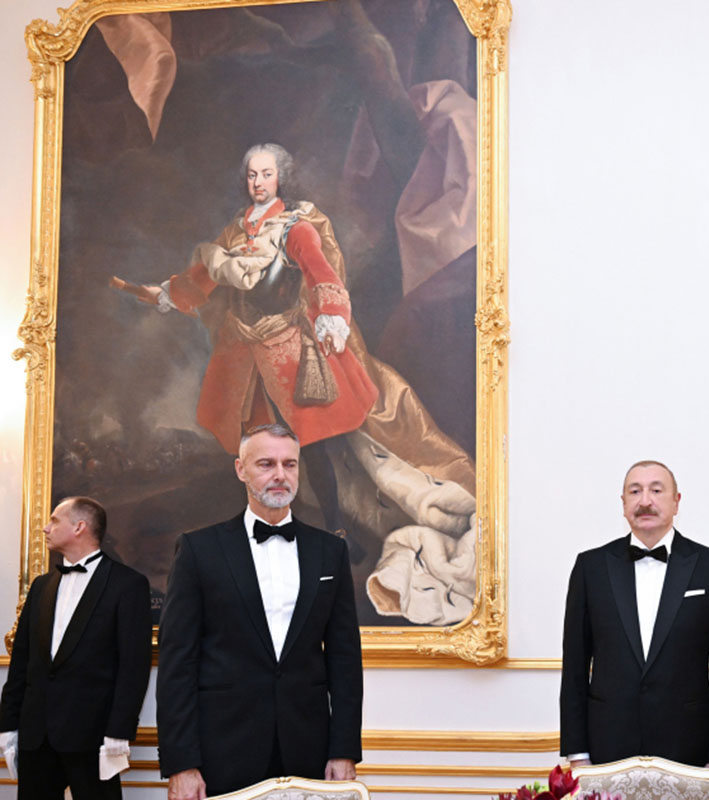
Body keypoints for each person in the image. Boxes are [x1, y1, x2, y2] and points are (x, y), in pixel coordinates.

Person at [142, 142, 475, 532]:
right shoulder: (237, 229)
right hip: (246, 352)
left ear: (280, 178)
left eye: (266, 174)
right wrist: (169, 293)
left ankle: (336, 529)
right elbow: (204, 275)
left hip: (289, 350)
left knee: (315, 448)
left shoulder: (295, 227)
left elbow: (321, 274)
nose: (258, 182)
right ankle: (276, 521)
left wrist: (331, 317)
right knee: (263, 442)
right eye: (252, 175)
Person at [157, 424, 362, 799]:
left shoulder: (330, 551)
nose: (280, 475)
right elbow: (177, 664)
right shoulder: (199, 550)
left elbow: (344, 659)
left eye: (290, 464)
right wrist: (182, 763)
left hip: (309, 750)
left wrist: (344, 750)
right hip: (222, 750)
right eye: (266, 464)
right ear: (241, 469)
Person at [560, 460, 709, 773]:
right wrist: (578, 755)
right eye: (635, 491)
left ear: (676, 501)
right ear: (623, 503)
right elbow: (574, 668)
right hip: (607, 750)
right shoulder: (590, 568)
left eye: (656, 490)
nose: (645, 500)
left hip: (691, 752)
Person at [0, 497, 151, 800]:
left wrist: (119, 730)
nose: (46, 528)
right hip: (35, 737)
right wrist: (7, 725)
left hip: (93, 737)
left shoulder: (128, 584)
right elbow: (22, 663)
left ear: (79, 527)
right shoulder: (41, 586)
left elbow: (133, 666)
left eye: (54, 520)